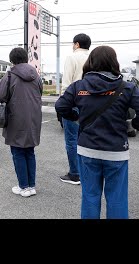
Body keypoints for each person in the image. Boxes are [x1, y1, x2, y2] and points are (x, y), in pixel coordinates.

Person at [55, 46, 139, 219]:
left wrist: (75, 117)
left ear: (90, 62)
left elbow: (60, 106)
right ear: (113, 62)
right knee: (117, 199)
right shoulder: (126, 87)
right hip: (116, 152)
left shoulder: (79, 86)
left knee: (90, 197)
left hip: (87, 150)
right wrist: (131, 126)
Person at [0, 47, 43, 197]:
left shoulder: (9, 75)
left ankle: (23, 186)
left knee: (17, 151)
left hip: (16, 117)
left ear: (12, 60)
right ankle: (31, 186)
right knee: (29, 151)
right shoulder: (36, 75)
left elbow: (1, 95)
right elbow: (39, 92)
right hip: (34, 117)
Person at [59, 33, 91, 185]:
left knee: (72, 140)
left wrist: (64, 104)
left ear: (77, 44)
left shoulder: (72, 58)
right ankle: (87, 172)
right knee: (86, 139)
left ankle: (75, 174)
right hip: (91, 104)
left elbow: (67, 83)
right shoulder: (93, 58)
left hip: (74, 102)